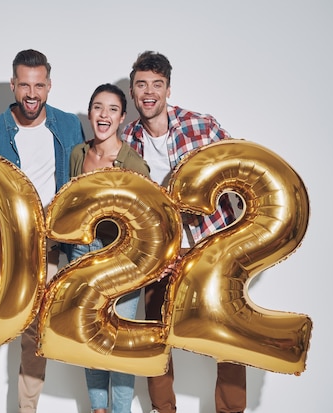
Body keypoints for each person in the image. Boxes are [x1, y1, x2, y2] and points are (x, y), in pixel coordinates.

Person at [121, 50, 245, 413]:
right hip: (159, 256)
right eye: (141, 84)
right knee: (156, 338)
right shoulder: (125, 139)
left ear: (168, 90)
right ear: (132, 91)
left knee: (228, 334)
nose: (149, 92)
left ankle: (231, 410)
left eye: (156, 85)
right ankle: (164, 409)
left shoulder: (201, 126)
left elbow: (240, 170)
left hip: (210, 249)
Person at [0, 49, 84, 413]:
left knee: (35, 337)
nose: (31, 94)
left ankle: (26, 410)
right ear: (14, 85)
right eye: (24, 85)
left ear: (49, 85)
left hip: (45, 251)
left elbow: (81, 178)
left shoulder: (68, 126)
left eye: (39, 85)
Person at [69, 83, 150, 413]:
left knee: (119, 341)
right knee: (90, 336)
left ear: (122, 117)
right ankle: (98, 409)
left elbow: (147, 219)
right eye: (98, 108)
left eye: (112, 109)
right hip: (83, 252)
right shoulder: (78, 153)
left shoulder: (134, 163)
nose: (104, 115)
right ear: (90, 113)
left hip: (123, 258)